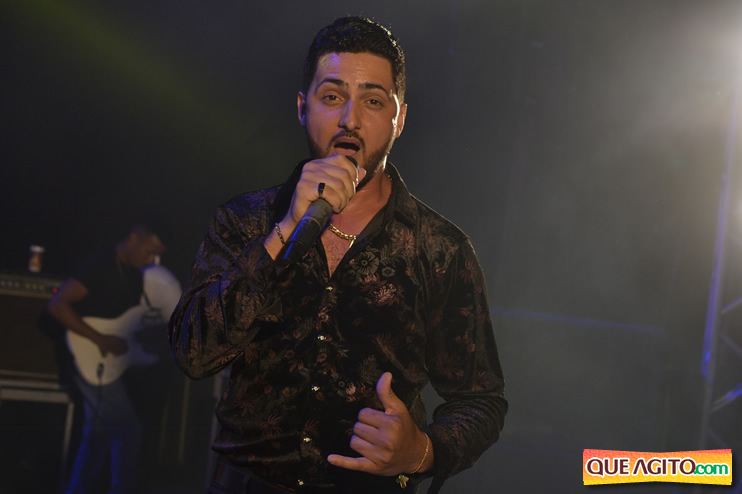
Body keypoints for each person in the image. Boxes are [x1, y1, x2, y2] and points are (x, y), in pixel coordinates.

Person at [169, 16, 507, 494]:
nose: (350, 119)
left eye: (373, 101)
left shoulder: (439, 249)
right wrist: (285, 230)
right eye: (332, 97)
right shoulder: (245, 221)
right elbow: (194, 355)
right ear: (303, 107)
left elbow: (482, 400)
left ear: (399, 119)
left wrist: (423, 451)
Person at [46, 222, 181, 494]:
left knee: (97, 435)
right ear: (134, 238)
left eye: (157, 256)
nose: (152, 261)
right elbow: (57, 305)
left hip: (106, 361)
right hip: (85, 355)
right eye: (149, 252)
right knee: (128, 431)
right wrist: (102, 340)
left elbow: (126, 324)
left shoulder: (133, 275)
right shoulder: (100, 266)